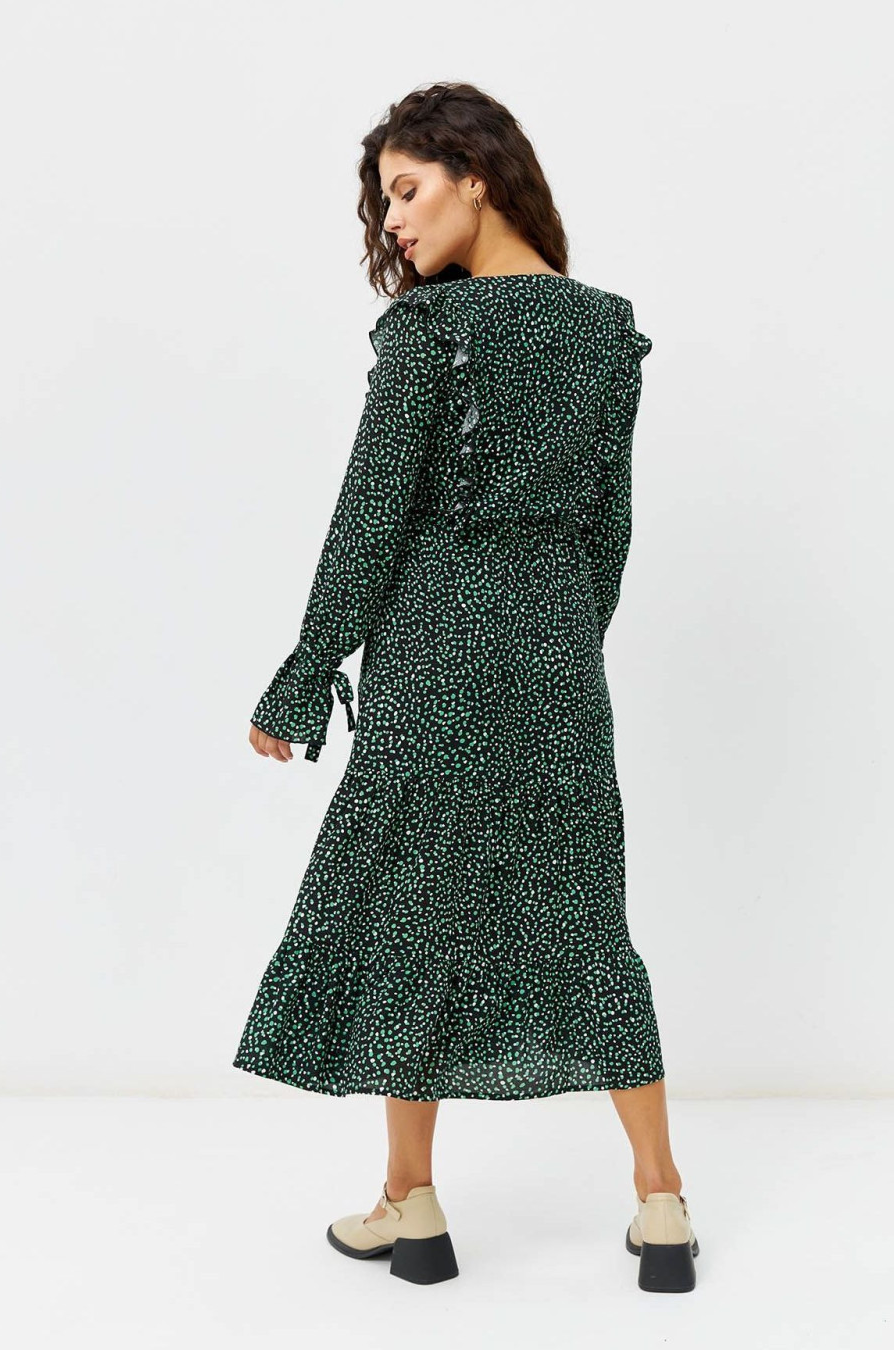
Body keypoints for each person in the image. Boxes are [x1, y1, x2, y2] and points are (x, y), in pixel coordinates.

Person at [233, 81, 698, 1293]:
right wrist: (556, 642)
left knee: (412, 911)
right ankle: (661, 1204)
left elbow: (371, 517)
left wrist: (306, 674)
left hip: (433, 647)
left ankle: (414, 1205)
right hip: (558, 658)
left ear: (475, 176)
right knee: (586, 918)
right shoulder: (604, 329)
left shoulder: (432, 331)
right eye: (383, 202)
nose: (391, 220)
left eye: (406, 189)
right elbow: (609, 528)